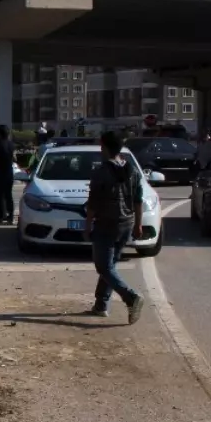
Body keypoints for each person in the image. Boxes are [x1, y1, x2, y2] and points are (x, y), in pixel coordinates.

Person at [84, 130, 146, 323]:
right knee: (109, 265)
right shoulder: (133, 171)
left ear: (105, 147)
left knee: (103, 266)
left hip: (106, 224)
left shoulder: (101, 172)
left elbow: (93, 203)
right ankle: (101, 304)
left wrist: (87, 226)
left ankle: (131, 297)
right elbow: (138, 200)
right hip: (126, 224)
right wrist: (138, 224)